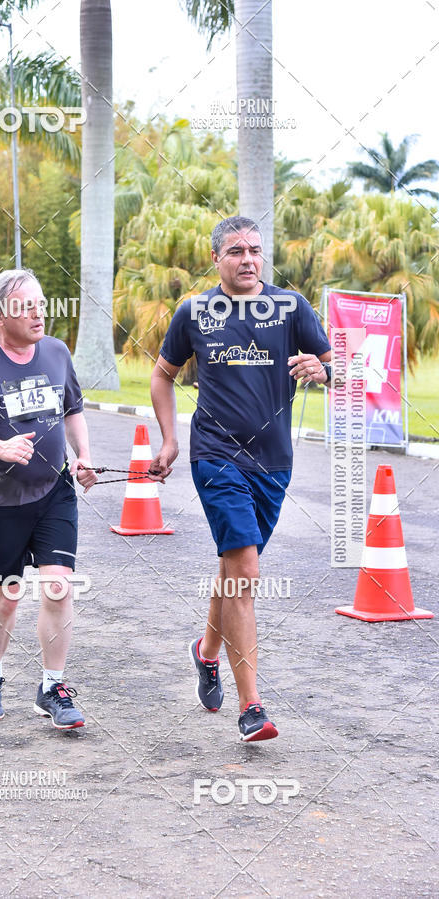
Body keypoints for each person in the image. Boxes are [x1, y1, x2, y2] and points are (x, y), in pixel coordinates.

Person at [150, 216, 332, 742]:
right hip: (216, 455)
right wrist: (169, 439)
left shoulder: (291, 307)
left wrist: (325, 372)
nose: (248, 259)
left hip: (274, 463)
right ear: (216, 259)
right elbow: (162, 375)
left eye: (255, 249)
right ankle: (252, 707)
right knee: (246, 570)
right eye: (235, 251)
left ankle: (206, 651)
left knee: (234, 569)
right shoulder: (194, 312)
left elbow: (339, 366)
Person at [0, 269, 97, 729]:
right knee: (7, 597)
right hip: (0, 499)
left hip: (55, 491)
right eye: (26, 306)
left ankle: (52, 687)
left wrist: (84, 457)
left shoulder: (56, 352)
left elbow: (72, 409)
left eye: (40, 304)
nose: (38, 313)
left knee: (58, 586)